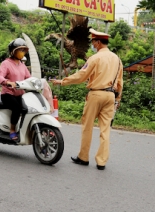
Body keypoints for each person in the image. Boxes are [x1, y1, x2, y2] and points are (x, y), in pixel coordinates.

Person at [51, 28, 123, 170]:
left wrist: (63, 81)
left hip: (96, 94)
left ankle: (83, 157)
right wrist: (118, 99)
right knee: (105, 129)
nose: (93, 45)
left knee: (87, 126)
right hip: (110, 96)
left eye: (94, 42)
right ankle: (101, 162)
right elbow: (120, 82)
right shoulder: (117, 59)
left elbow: (81, 75)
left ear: (98, 42)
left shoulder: (94, 58)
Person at [0, 38, 54, 141]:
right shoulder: (6, 63)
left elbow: (29, 78)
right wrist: (8, 82)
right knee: (17, 108)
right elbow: (0, 76)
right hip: (8, 94)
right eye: (20, 50)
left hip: (20, 94)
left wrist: (39, 82)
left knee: (28, 108)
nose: (22, 53)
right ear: (13, 51)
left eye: (23, 50)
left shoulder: (22, 65)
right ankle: (12, 130)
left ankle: (23, 129)